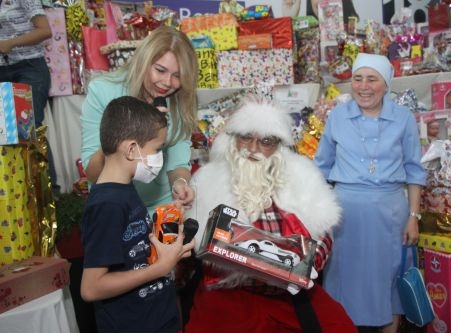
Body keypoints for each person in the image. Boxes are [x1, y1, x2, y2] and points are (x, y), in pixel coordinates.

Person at [183, 97, 356, 333]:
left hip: (288, 294)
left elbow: (324, 231)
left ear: (278, 145)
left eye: (265, 141)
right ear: (233, 139)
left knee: (339, 327)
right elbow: (194, 240)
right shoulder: (208, 179)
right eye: (246, 137)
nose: (253, 149)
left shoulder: (302, 177)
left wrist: (309, 264)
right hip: (230, 291)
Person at [314, 53, 427, 333]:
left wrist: (413, 216)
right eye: (357, 78)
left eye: (372, 79)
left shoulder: (403, 119)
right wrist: (315, 212)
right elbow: (322, 167)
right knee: (344, 283)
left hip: (391, 214)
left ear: (386, 84)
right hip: (345, 215)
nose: (364, 86)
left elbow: (414, 170)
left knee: (389, 286)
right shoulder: (338, 116)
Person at [80, 96, 195, 333]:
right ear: (132, 149)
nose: (159, 158)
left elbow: (133, 245)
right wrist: (159, 269)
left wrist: (168, 218)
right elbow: (91, 288)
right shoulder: (107, 205)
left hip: (158, 319)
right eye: (157, 149)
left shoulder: (124, 188)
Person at [81, 25, 198, 216]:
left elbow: (178, 161)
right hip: (115, 209)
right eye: (160, 70)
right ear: (144, 61)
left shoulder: (180, 100)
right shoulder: (103, 91)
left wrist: (181, 184)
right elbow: (92, 172)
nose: (167, 82)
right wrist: (133, 131)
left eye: (178, 76)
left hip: (161, 209)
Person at [0, 0, 59, 193]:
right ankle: (15, 191)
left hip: (29, 66)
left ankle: (48, 193)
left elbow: (45, 31)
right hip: (2, 69)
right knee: (4, 132)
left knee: (29, 129)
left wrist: (10, 43)